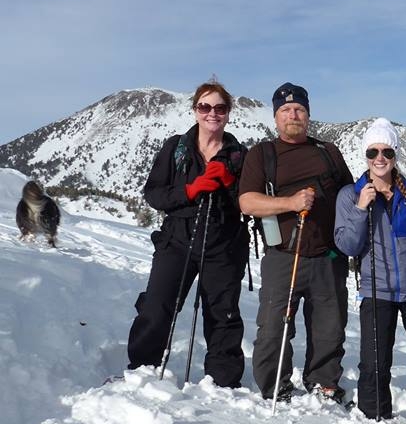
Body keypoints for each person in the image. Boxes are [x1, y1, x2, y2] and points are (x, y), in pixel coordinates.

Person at [127, 80, 248, 387]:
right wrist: (190, 190)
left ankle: (223, 382)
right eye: (205, 107)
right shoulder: (176, 148)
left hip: (224, 241)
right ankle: (142, 368)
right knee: (157, 304)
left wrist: (230, 182)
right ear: (195, 110)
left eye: (219, 108)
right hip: (178, 238)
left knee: (223, 314)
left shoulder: (238, 156)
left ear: (228, 113)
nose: (212, 114)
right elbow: (154, 194)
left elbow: (246, 203)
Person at [238, 82, 353, 403]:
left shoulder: (328, 152)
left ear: (308, 114)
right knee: (274, 326)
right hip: (283, 255)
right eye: (286, 110)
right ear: (275, 117)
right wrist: (291, 203)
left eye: (299, 109)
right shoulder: (262, 154)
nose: (293, 114)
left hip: (328, 255)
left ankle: (323, 383)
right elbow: (247, 202)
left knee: (330, 328)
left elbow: (348, 195)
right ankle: (275, 385)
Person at [335, 118, 406, 424]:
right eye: (373, 152)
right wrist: (360, 209)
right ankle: (374, 417)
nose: (379, 158)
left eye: (386, 151)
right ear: (365, 155)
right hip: (376, 289)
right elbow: (347, 245)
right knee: (374, 362)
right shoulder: (350, 195)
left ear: (395, 154)